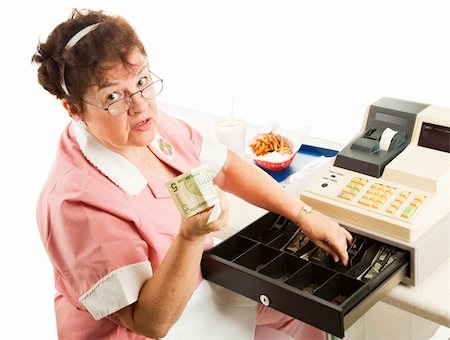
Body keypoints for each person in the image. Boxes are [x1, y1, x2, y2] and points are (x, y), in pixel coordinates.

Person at [33, 9, 352, 340]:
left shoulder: (145, 125)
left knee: (305, 313)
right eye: (113, 96)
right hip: (150, 327)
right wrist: (191, 235)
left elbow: (225, 167)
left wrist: (303, 213)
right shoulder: (76, 204)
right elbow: (149, 322)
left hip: (198, 288)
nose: (139, 105)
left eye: (142, 81)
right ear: (74, 109)